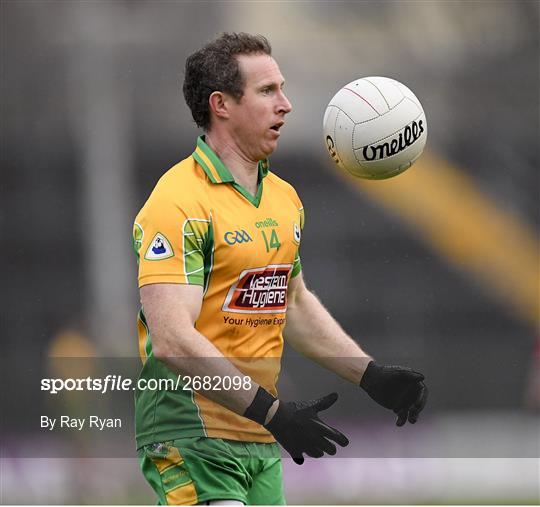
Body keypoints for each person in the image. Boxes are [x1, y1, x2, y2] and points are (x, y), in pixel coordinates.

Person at [132, 32, 428, 505]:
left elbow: (290, 302)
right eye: (267, 91)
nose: (285, 105)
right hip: (192, 434)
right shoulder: (177, 201)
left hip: (258, 437)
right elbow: (172, 339)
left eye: (282, 89)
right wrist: (273, 412)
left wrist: (368, 374)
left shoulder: (283, 198)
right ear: (221, 105)